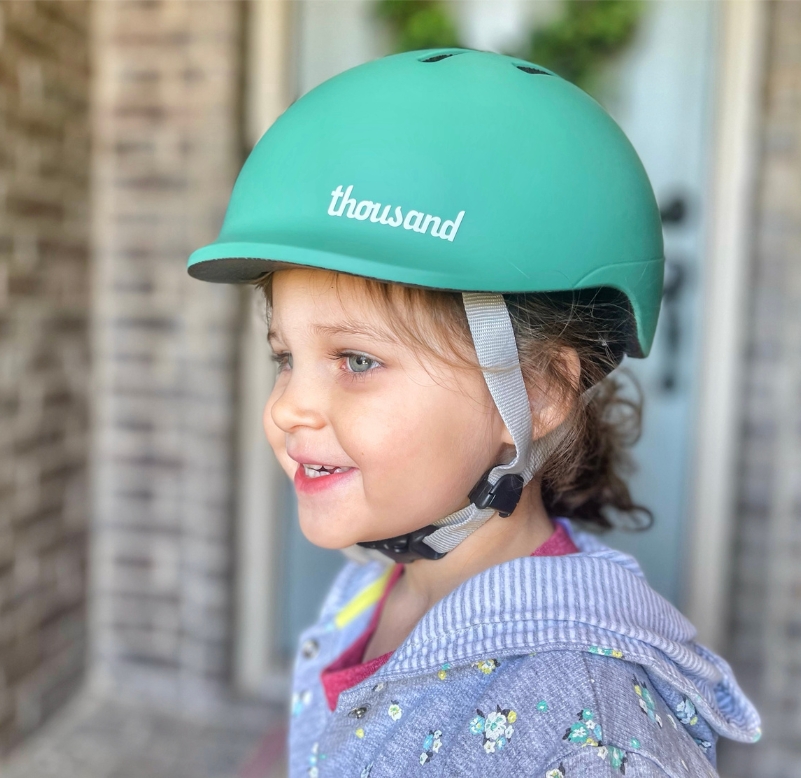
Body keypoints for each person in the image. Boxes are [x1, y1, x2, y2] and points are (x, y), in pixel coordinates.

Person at [187, 49, 760, 778]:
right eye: (284, 357)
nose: (291, 406)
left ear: (541, 391)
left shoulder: (592, 741)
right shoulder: (369, 588)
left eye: (357, 360)